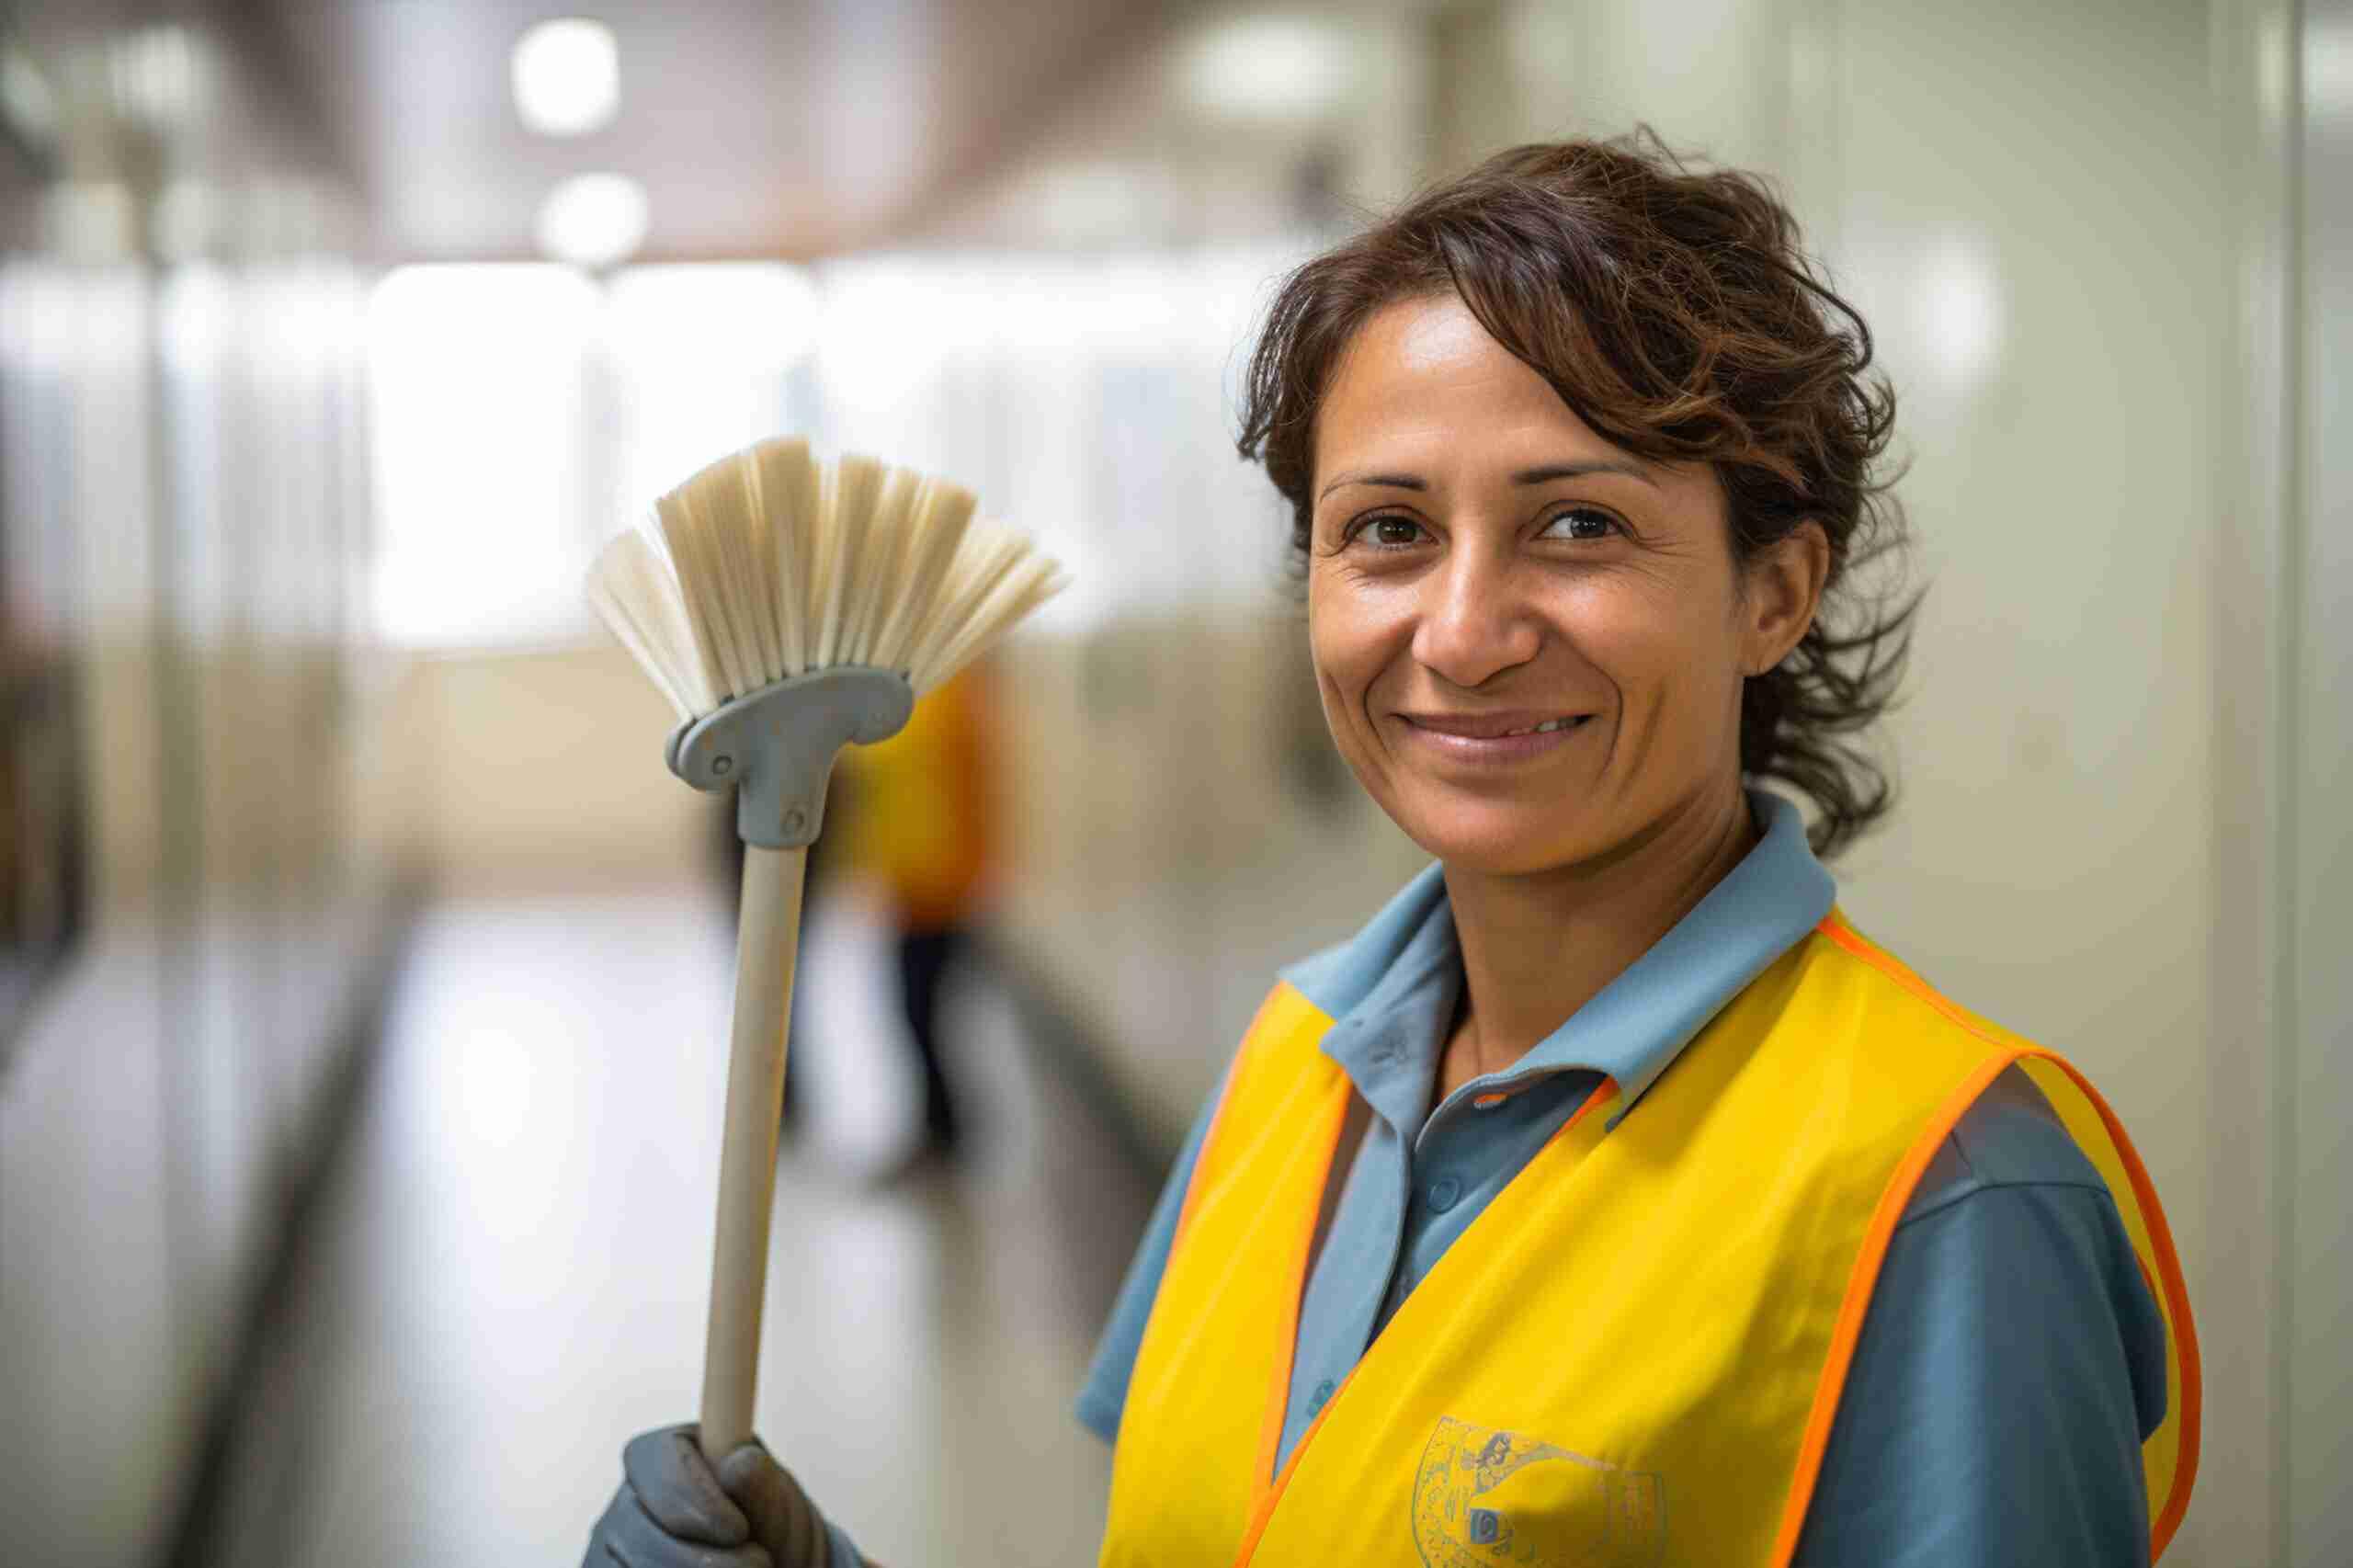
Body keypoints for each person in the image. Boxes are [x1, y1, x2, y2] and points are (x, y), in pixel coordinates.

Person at [585, 133, 2199, 1568]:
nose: (1465, 631)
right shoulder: (1296, 1066)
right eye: (1388, 529)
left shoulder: (1947, 1195)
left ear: (1773, 591)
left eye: (1579, 524)